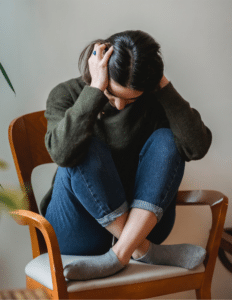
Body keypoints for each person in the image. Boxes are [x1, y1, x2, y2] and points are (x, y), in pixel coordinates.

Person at [41, 30, 212, 281]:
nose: (120, 105)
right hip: (76, 228)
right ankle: (142, 250)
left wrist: (163, 86)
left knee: (168, 140)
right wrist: (95, 91)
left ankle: (119, 254)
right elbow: (62, 154)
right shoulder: (66, 94)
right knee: (85, 146)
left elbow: (196, 147)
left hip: (143, 222)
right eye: (113, 94)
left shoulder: (153, 98)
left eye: (130, 101)